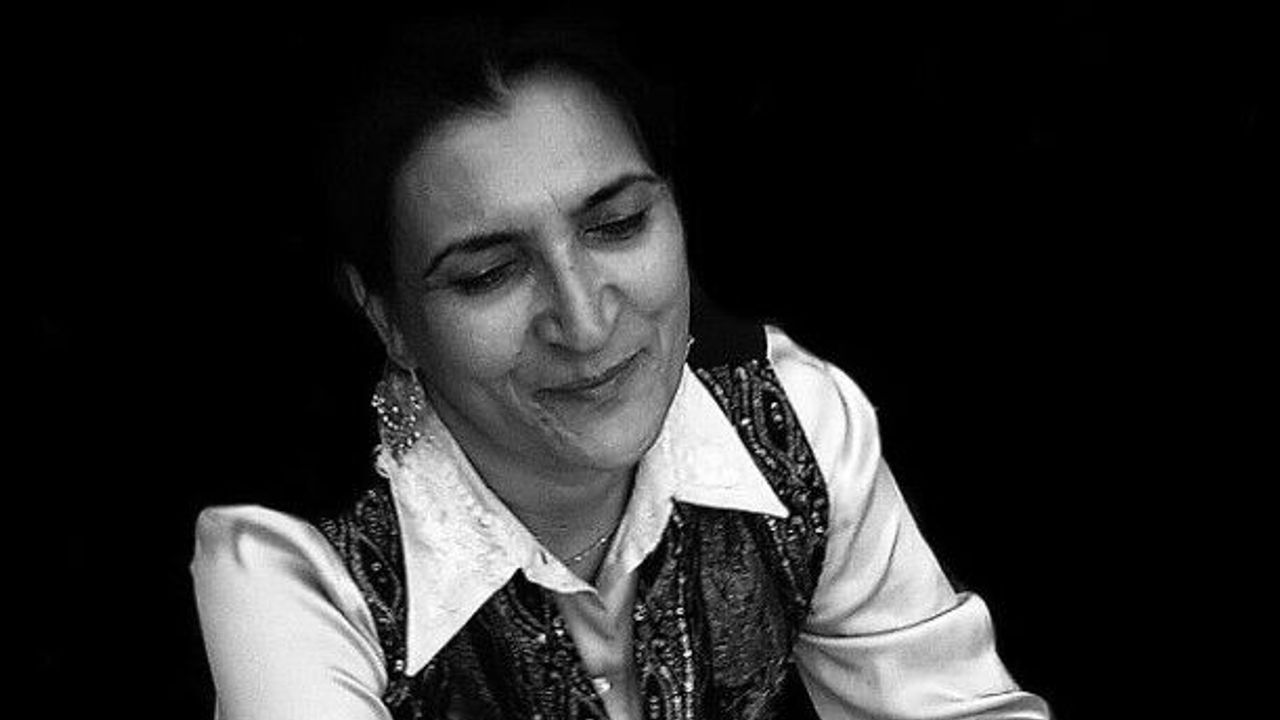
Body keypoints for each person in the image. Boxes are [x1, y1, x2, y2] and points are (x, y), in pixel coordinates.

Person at [191, 17, 1051, 720]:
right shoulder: (288, 562)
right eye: (489, 274)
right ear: (387, 317)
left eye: (617, 225)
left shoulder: (791, 420)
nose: (585, 319)